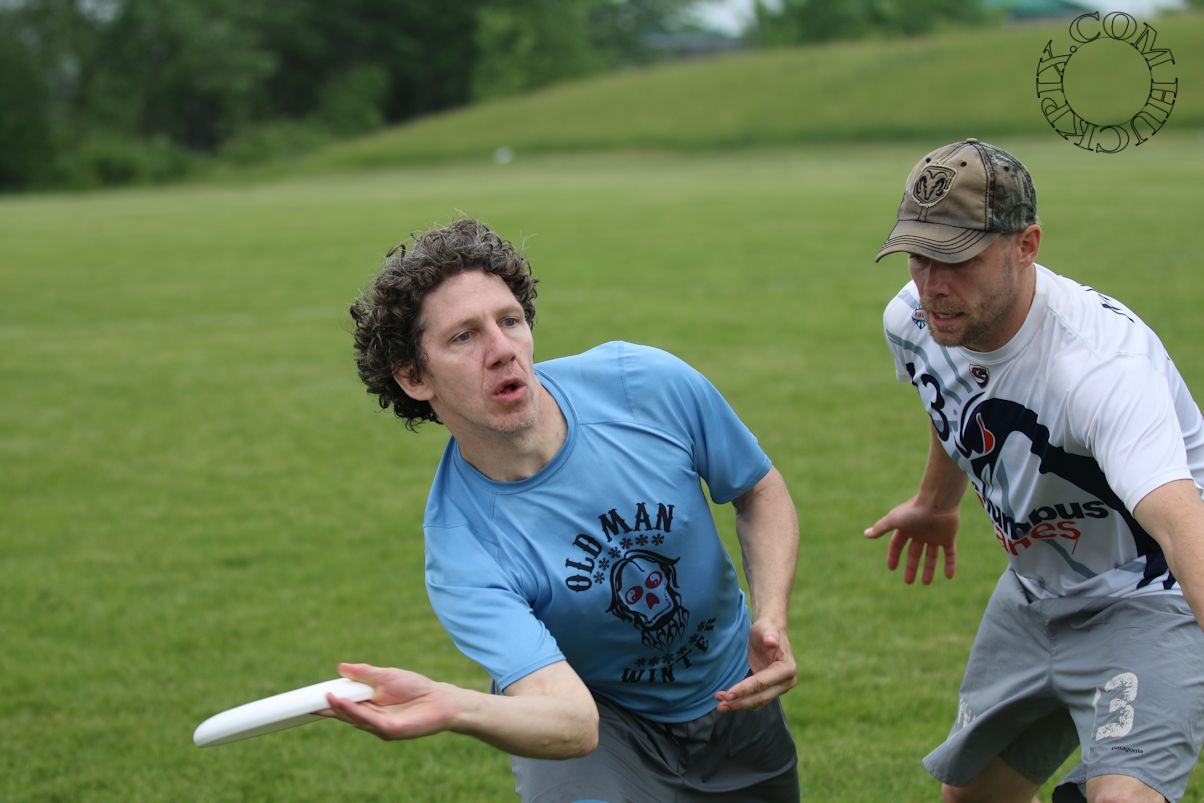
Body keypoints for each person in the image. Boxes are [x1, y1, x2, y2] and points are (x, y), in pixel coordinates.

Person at [326, 217, 801, 801]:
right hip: (605, 725)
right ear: (413, 377)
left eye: (509, 321)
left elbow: (758, 489)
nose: (503, 351)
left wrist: (771, 616)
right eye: (464, 337)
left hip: (736, 693)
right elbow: (574, 723)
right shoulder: (462, 549)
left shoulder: (642, 384)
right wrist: (453, 705)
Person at [865, 138, 1204, 803]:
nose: (933, 286)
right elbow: (953, 400)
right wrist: (936, 501)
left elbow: (1180, 519)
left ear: (1026, 246)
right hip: (1032, 591)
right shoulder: (914, 320)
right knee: (971, 799)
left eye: (958, 259)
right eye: (920, 256)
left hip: (1149, 593)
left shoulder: (1101, 369)